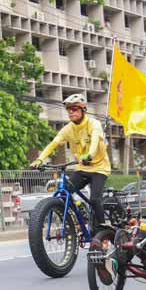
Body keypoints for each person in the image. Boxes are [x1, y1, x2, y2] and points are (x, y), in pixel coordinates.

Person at [31, 94, 110, 229]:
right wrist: (40, 158)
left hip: (99, 168)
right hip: (81, 168)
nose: (70, 112)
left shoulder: (94, 124)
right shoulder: (68, 129)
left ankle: (104, 229)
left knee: (95, 199)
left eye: (74, 109)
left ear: (83, 110)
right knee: (63, 193)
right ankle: (76, 220)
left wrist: (89, 155)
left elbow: (95, 142)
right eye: (68, 110)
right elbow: (54, 143)